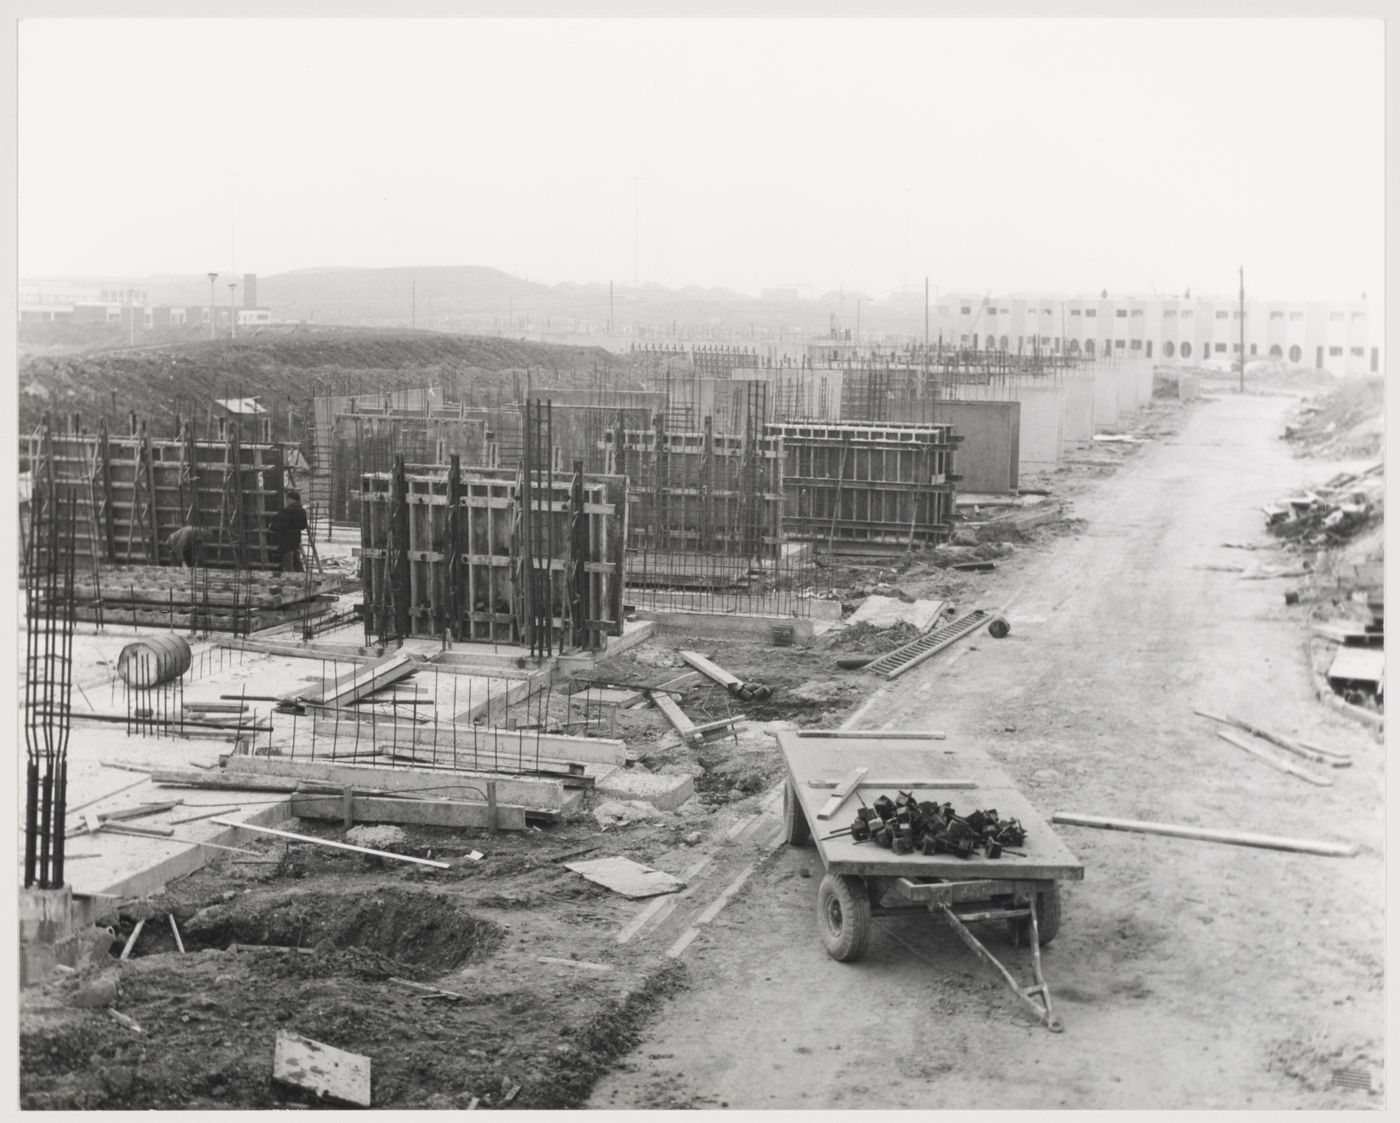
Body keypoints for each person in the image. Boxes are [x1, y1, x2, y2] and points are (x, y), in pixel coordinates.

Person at [270, 491, 309, 573]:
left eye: (287, 498)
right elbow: (304, 525)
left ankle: (290, 579)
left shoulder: (288, 511)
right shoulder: (302, 510)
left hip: (287, 539)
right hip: (297, 538)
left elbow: (281, 525)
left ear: (291, 499)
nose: (286, 500)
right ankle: (301, 576)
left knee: (288, 562)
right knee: (297, 560)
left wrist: (271, 526)